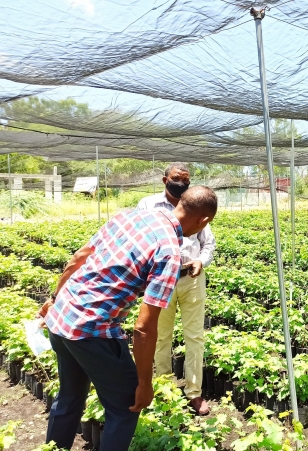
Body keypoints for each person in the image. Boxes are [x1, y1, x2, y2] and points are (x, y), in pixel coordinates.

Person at [38, 186, 218, 451]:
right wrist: (144, 384)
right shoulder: (169, 250)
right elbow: (144, 328)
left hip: (62, 317)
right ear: (204, 221)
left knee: (69, 398)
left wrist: (54, 299)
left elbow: (79, 258)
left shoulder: (129, 216)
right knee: (126, 406)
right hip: (92, 331)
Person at [137, 163, 216, 416]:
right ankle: (165, 389)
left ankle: (194, 393)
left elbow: (208, 243)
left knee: (195, 337)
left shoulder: (195, 206)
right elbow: (140, 241)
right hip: (160, 280)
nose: (181, 183)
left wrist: (200, 261)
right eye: (176, 178)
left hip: (191, 278)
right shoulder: (148, 206)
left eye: (186, 179)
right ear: (165, 180)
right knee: (161, 337)